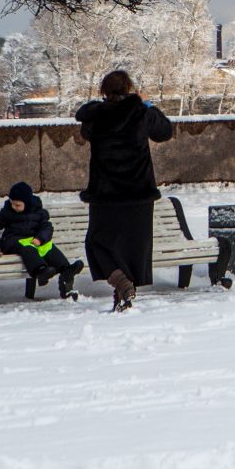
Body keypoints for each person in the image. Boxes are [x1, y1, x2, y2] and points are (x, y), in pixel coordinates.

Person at [77, 70, 174, 312]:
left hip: (105, 194)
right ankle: (125, 286)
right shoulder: (141, 112)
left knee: (97, 243)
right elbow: (164, 132)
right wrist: (147, 103)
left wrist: (101, 106)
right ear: (129, 88)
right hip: (137, 192)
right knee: (133, 247)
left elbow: (85, 131)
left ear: (104, 91)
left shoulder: (96, 116)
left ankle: (120, 286)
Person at [0, 181, 84, 300]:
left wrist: (40, 238)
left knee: (49, 248)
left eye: (17, 205)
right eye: (12, 203)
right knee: (28, 249)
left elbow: (46, 227)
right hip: (13, 241)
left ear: (27, 203)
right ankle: (40, 271)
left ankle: (66, 270)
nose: (13, 207)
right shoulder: (8, 213)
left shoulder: (38, 213)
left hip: (34, 240)